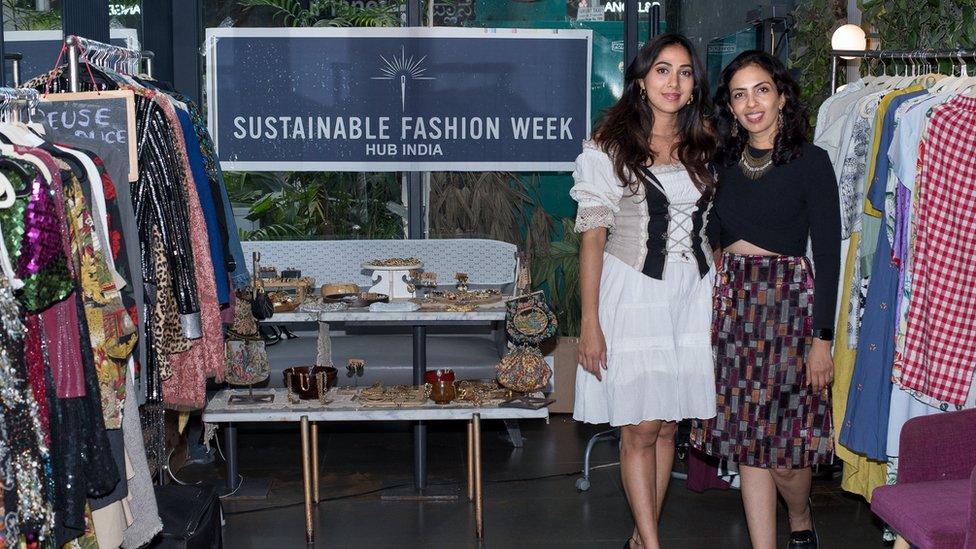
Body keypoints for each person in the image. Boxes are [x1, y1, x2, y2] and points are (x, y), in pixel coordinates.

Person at [570, 33, 718, 549]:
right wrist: (590, 324)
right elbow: (592, 238)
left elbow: (714, 230)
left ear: (694, 83)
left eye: (683, 72)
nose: (673, 82)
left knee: (669, 428)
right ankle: (653, 543)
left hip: (693, 295)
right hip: (633, 292)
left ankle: (641, 536)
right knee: (639, 426)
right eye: (661, 70)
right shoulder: (609, 145)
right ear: (640, 78)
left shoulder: (705, 143)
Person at [691, 50, 841, 549]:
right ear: (730, 108)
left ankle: (800, 517)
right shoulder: (722, 163)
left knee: (784, 453)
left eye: (761, 90)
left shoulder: (811, 163)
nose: (751, 103)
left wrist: (823, 339)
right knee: (744, 442)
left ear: (780, 97)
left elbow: (829, 255)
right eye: (739, 94)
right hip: (734, 308)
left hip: (788, 309)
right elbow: (709, 229)